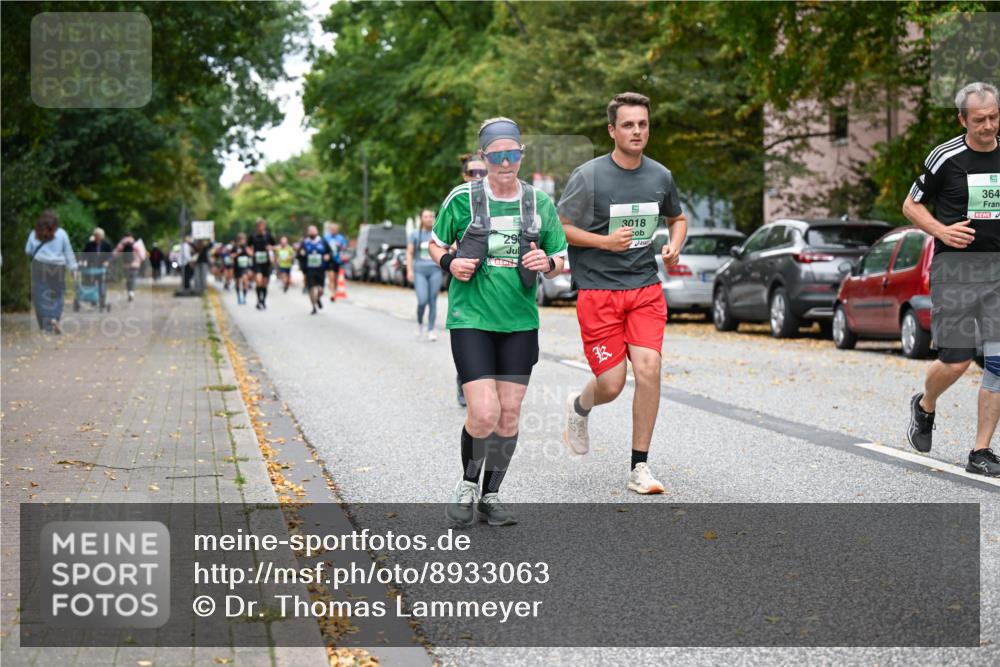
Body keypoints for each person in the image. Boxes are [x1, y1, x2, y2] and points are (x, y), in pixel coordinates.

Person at [429, 117, 567, 527]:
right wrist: (452, 262)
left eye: (513, 155)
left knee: (509, 415)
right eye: (497, 156)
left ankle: (491, 495)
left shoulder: (539, 203)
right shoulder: (462, 199)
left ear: (521, 155)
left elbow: (561, 257)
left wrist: (549, 262)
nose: (506, 163)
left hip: (519, 321)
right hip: (471, 318)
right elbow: (435, 244)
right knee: (485, 412)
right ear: (484, 157)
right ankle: (467, 485)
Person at [558, 92, 688, 495]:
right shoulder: (589, 176)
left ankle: (640, 468)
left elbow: (677, 217)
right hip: (598, 292)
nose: (637, 131)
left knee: (649, 369)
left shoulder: (660, 176)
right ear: (612, 130)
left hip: (645, 288)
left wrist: (674, 245)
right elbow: (559, 226)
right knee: (612, 385)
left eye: (643, 124)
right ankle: (579, 406)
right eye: (628, 125)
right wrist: (604, 243)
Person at [903, 81, 1000, 476]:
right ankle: (924, 404)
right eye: (980, 120)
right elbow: (911, 205)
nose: (989, 126)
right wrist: (941, 231)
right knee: (957, 361)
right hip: (956, 269)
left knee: (998, 361)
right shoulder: (946, 156)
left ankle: (981, 451)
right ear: (963, 119)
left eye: (994, 117)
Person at [454, 153, 488, 407]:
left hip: (497, 283)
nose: (478, 178)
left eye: (482, 172)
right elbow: (443, 240)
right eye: (473, 173)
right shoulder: (458, 200)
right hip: (467, 280)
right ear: (465, 176)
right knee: (471, 335)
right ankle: (464, 380)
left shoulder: (505, 198)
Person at [24, 209, 78, 334]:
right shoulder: (62, 233)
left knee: (40, 295)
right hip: (57, 267)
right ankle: (54, 317)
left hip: (39, 265)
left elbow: (28, 250)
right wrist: (73, 268)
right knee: (57, 294)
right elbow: (68, 251)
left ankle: (46, 326)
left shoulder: (34, 233)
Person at [407, 208, 443, 341]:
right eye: (426, 216)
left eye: (431, 216)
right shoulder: (415, 234)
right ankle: (419, 322)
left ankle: (431, 330)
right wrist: (409, 270)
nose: (429, 219)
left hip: (435, 270)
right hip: (420, 270)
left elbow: (446, 247)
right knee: (422, 300)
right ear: (421, 218)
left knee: (433, 300)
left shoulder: (438, 234)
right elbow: (410, 253)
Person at [298, 225, 334, 314]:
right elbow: (299, 254)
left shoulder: (322, 242)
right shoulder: (305, 243)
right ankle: (313, 307)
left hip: (320, 269)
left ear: (317, 231)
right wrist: (301, 254)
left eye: (313, 230)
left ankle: (318, 299)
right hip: (310, 269)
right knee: (311, 288)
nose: (312, 232)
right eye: (310, 231)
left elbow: (330, 252)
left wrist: (328, 256)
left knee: (320, 290)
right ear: (308, 232)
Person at [249, 218, 276, 310]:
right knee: (258, 280)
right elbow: (248, 247)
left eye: (262, 225)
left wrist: (271, 248)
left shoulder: (268, 236)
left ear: (264, 226)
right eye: (259, 226)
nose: (260, 227)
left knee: (264, 283)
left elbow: (274, 246)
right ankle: (258, 300)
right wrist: (250, 252)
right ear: (257, 227)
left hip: (266, 262)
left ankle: (263, 300)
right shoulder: (252, 236)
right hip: (257, 261)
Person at [114, 232, 147, 301]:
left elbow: (115, 253)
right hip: (135, 264)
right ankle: (131, 292)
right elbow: (142, 255)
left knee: (128, 279)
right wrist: (142, 260)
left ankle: (129, 291)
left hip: (125, 265)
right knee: (133, 278)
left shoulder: (122, 244)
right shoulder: (136, 244)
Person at [325, 222, 348, 302]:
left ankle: (334, 291)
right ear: (330, 230)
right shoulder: (326, 238)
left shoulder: (341, 238)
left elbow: (344, 247)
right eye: (332, 229)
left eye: (335, 229)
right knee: (331, 277)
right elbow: (323, 247)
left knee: (335, 279)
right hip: (329, 260)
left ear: (337, 230)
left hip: (337, 260)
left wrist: (341, 247)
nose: (333, 231)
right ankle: (332, 294)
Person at [232, 233, 252, 305]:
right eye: (241, 239)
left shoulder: (247, 247)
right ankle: (238, 297)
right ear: (238, 240)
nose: (242, 241)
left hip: (245, 267)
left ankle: (244, 297)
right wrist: (237, 253)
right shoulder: (235, 247)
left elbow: (251, 254)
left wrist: (247, 250)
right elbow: (231, 256)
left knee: (245, 281)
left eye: (243, 239)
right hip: (237, 267)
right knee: (237, 282)